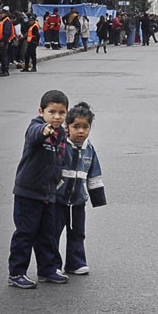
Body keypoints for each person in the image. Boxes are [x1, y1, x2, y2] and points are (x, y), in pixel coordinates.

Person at [8, 90, 71, 289]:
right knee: (26, 232)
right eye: (52, 112)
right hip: (28, 190)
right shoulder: (36, 127)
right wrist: (44, 130)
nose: (57, 117)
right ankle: (16, 272)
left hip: (48, 192)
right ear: (41, 111)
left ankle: (47, 269)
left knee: (48, 233)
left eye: (61, 113)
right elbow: (34, 135)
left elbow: (60, 159)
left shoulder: (61, 132)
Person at [53, 102, 107, 275]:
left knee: (77, 233)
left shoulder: (89, 149)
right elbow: (51, 170)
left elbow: (94, 173)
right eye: (76, 127)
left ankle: (75, 263)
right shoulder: (61, 146)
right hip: (57, 200)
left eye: (86, 127)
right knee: (52, 234)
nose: (81, 131)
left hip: (78, 201)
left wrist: (97, 198)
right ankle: (51, 264)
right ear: (67, 127)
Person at [0, 6, 13, 76]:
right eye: (0, 13)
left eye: (2, 13)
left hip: (3, 41)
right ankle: (2, 70)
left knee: (4, 56)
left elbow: (7, 32)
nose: (0, 15)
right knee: (1, 56)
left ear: (5, 14)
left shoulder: (7, 21)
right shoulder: (0, 21)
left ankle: (5, 70)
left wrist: (3, 41)